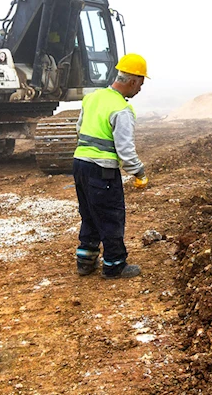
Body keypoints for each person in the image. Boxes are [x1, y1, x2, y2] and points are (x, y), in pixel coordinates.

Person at [73, 53, 149, 279]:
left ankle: (85, 260)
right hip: (102, 171)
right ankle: (114, 265)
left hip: (80, 164)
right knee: (110, 216)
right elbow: (125, 149)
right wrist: (139, 171)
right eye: (141, 84)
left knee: (89, 213)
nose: (140, 89)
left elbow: (79, 129)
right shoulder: (122, 109)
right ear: (133, 81)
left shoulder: (93, 98)